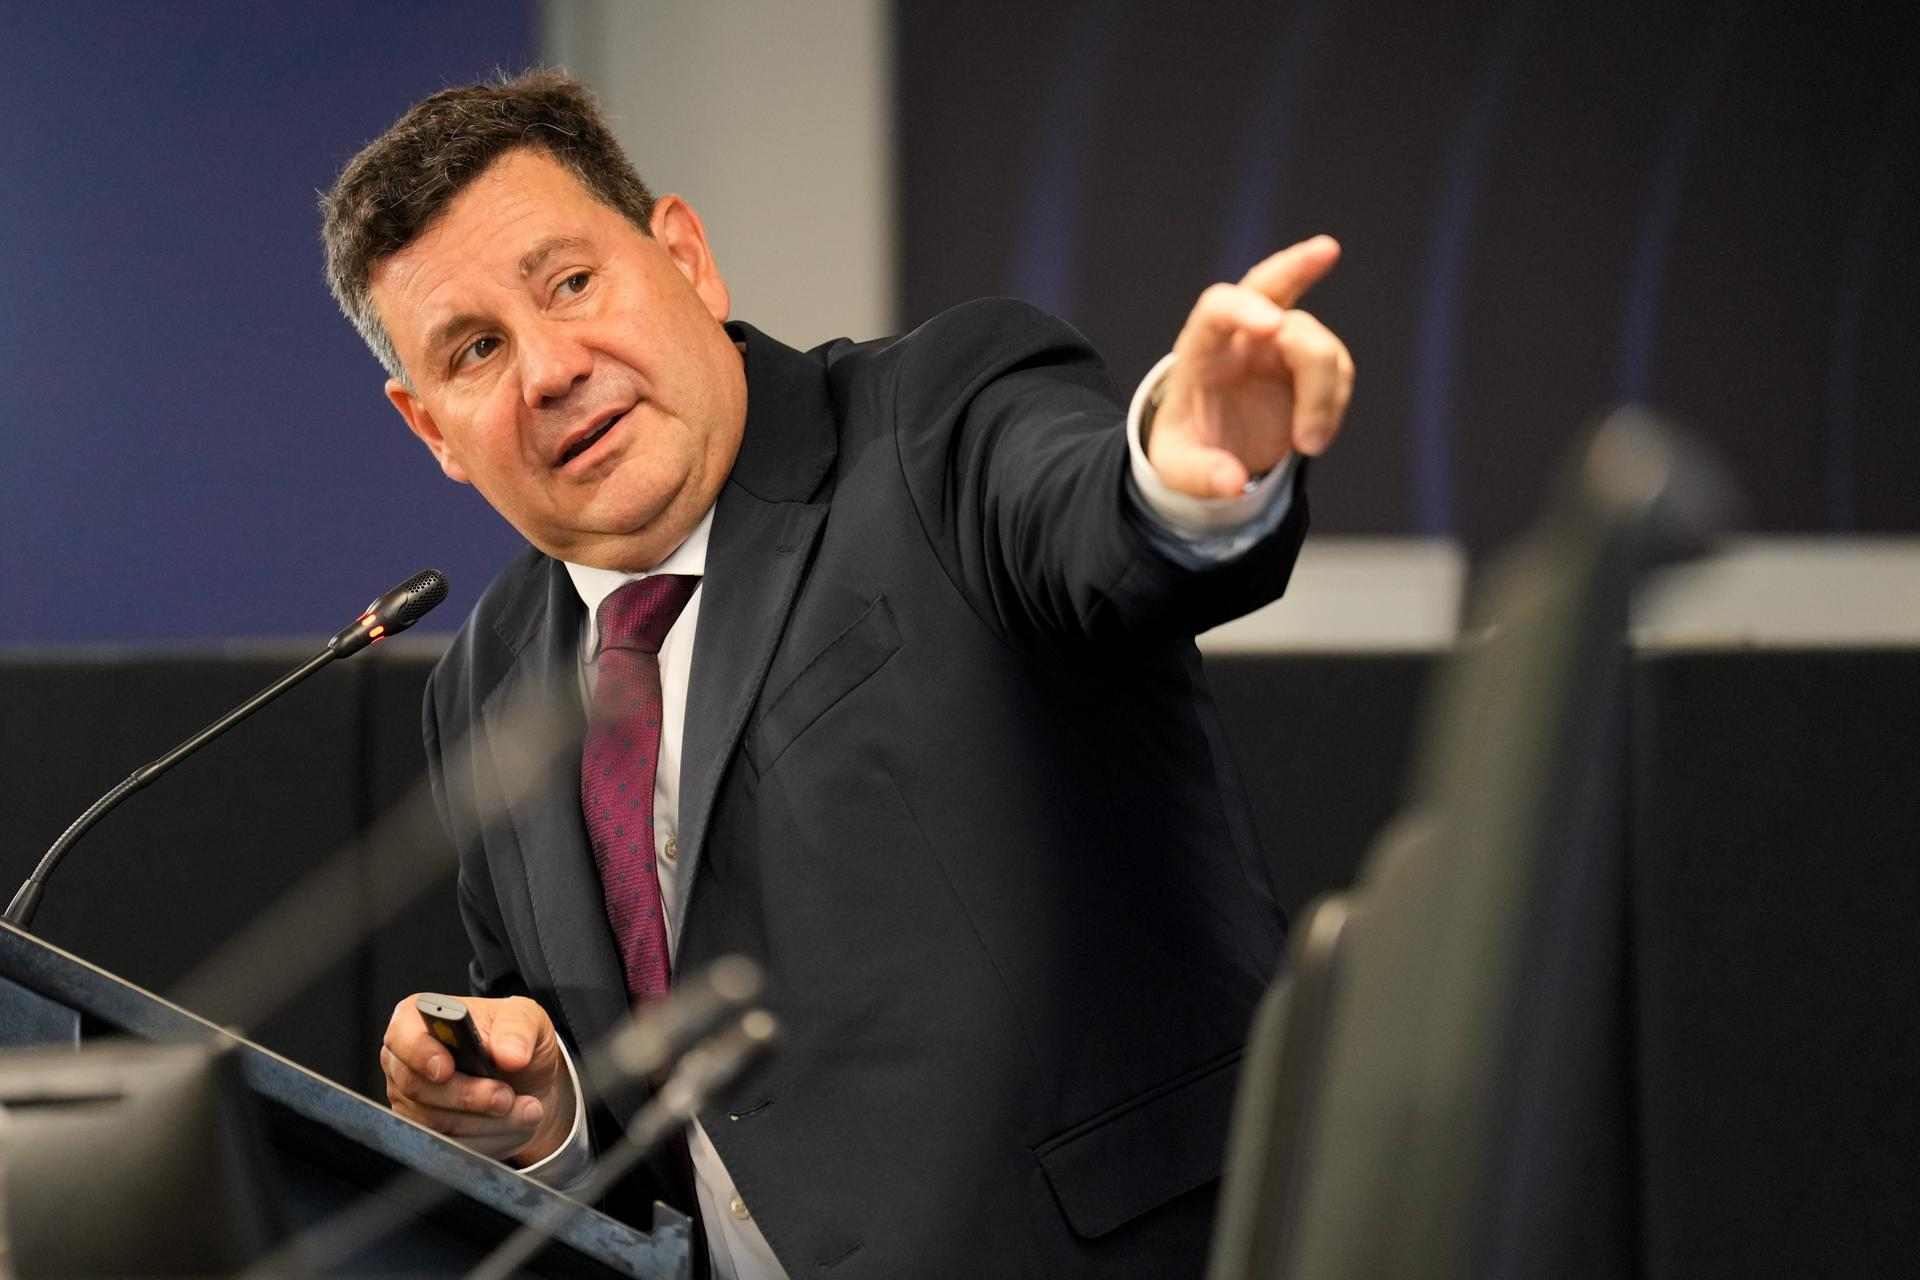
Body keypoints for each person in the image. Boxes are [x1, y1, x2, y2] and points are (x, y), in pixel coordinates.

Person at [324, 70, 1353, 1279]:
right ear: (430, 426)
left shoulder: (938, 419)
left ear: (686, 258)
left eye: (572, 282)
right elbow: (617, 1108)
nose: (549, 367)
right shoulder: (487, 678)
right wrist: (542, 1119)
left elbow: (1096, 525)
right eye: (477, 349)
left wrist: (1184, 472)